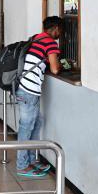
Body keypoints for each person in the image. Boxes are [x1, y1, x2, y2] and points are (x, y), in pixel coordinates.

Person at [16, 16, 63, 178]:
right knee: (26, 126)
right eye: (60, 30)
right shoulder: (50, 42)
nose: (60, 34)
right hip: (28, 89)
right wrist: (61, 63)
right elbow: (55, 69)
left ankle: (31, 159)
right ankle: (22, 165)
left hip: (26, 87)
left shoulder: (36, 38)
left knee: (36, 122)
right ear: (55, 28)